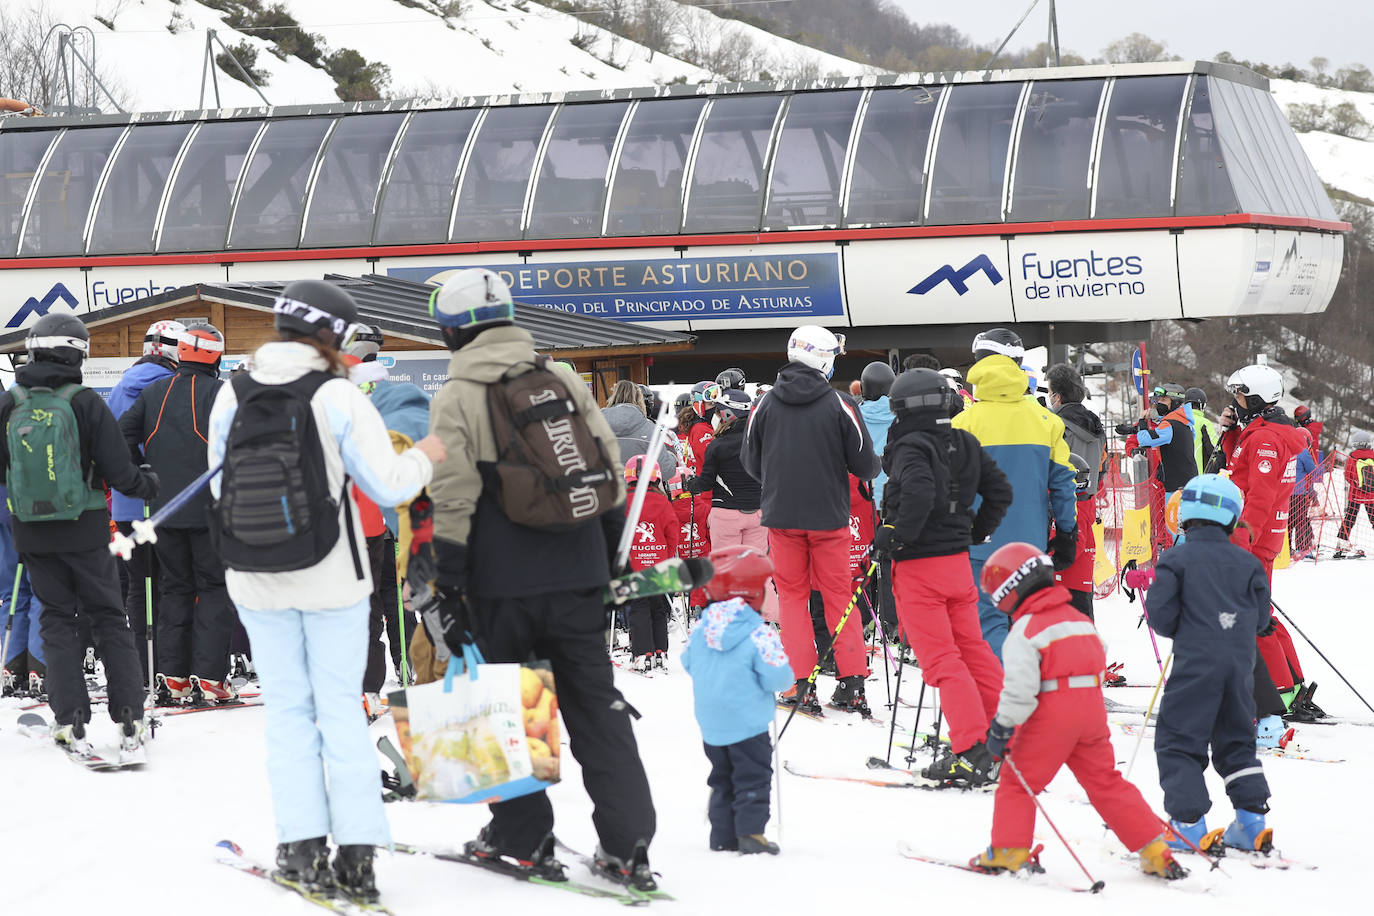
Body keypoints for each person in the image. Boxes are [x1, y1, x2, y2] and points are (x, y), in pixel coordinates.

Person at [423, 268, 659, 891]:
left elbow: (451, 493)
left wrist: (450, 580)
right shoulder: (557, 376)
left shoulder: (457, 394)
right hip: (579, 567)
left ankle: (521, 838)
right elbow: (607, 463)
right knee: (595, 704)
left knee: (505, 703)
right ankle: (629, 843)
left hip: (501, 578)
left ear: (451, 329)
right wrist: (607, 556)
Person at [208, 279, 442, 900]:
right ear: (334, 335)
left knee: (287, 713)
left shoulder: (232, 393)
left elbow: (217, 491)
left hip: (255, 578)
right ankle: (358, 858)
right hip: (333, 575)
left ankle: (300, 849)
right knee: (339, 710)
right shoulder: (337, 395)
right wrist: (429, 453)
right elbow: (390, 485)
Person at [971, 541, 1184, 879]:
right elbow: (1098, 657)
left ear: (1009, 592)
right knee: (1106, 782)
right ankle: (1155, 848)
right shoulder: (1080, 620)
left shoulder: (1025, 630)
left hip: (1052, 717)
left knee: (1017, 782)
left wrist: (1002, 727)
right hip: (1092, 713)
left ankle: (1010, 851)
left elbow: (1021, 690)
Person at [0, 313, 161, 755]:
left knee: (55, 618)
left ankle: (70, 719)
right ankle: (129, 716)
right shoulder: (85, 401)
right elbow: (120, 471)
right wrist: (146, 483)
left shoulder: (11, 401)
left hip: (31, 531)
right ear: (78, 353)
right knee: (107, 615)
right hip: (85, 526)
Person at [873, 368, 1012, 787]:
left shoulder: (910, 445)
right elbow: (1000, 490)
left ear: (901, 407)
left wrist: (896, 535)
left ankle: (971, 749)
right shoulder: (963, 441)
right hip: (956, 562)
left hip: (921, 567)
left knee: (942, 661)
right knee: (973, 649)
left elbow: (918, 492)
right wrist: (973, 529)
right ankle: (1004, 737)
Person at [743, 325, 880, 716]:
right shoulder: (839, 404)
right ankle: (852, 684)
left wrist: (779, 483)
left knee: (792, 598)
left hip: (782, 517)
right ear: (823, 358)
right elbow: (866, 465)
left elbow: (751, 462)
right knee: (839, 595)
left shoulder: (764, 404)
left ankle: (798, 685)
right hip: (829, 517)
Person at [1142, 475, 1275, 854]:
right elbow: (1262, 619)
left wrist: (1191, 620)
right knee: (1236, 742)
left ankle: (1186, 823)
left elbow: (1161, 616)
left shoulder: (1175, 559)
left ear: (1185, 515)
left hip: (1195, 667)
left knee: (1179, 741)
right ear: (1232, 518)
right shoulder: (1247, 563)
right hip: (1239, 668)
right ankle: (1251, 822)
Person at [120, 323, 234, 705]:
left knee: (175, 588)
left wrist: (143, 471)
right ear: (216, 356)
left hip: (165, 510)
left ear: (181, 352)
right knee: (215, 589)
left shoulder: (154, 392)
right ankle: (211, 676)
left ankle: (174, 676)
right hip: (212, 509)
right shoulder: (222, 392)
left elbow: (121, 436)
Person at [952, 328, 1077, 658]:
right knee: (1030, 622)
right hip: (1030, 544)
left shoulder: (963, 423)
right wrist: (1067, 532)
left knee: (988, 622)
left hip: (979, 543)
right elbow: (1063, 483)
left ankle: (1001, 700)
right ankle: (1036, 698)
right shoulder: (1045, 420)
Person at [1212, 364, 1315, 716]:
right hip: (1262, 536)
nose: (1235, 400)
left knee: (1253, 619)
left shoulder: (1266, 438)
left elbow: (1260, 496)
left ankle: (1280, 692)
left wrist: (1239, 542)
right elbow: (1241, 466)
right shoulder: (1262, 431)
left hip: (1254, 539)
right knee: (1260, 613)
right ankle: (1292, 685)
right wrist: (1229, 434)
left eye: (1239, 394)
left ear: (1255, 396)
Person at [681, 544, 793, 856]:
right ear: (750, 590)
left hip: (711, 722)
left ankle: (722, 835)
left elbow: (688, 662)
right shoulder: (758, 632)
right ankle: (750, 833)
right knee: (753, 776)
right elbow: (780, 678)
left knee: (721, 777)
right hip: (748, 722)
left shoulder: (702, 627)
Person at [106, 318, 186, 684]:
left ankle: (142, 665)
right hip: (163, 501)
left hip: (125, 505)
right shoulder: (170, 388)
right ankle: (169, 667)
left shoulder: (120, 388)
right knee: (172, 585)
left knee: (139, 587)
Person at [624, 455, 679, 672]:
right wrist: (666, 555)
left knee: (639, 607)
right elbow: (672, 532)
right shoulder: (662, 502)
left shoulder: (623, 502)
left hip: (633, 564)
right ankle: (660, 651)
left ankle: (641, 653)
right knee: (657, 607)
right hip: (658, 564)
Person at [0, 487, 44, 694]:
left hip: (4, 505)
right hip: (34, 503)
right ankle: (39, 664)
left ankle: (13, 663)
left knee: (13, 589)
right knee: (41, 587)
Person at [602, 379, 678, 480]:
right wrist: (672, 456)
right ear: (639, 400)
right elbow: (666, 471)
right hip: (637, 493)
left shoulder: (593, 425)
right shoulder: (649, 428)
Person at [1054, 454, 1099, 621]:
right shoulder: (1079, 505)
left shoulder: (1076, 511)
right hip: (1073, 581)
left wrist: (1052, 562)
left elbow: (1074, 547)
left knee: (1078, 626)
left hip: (1073, 583)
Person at [1288, 404, 1323, 559]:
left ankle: (1286, 547)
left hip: (1286, 492)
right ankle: (1303, 546)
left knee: (1288, 521)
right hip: (1300, 492)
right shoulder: (1303, 452)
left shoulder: (1287, 449)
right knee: (1301, 520)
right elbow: (1313, 470)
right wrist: (1321, 468)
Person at [858, 361, 895, 504]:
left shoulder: (852, 416)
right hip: (893, 496)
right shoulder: (903, 416)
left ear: (863, 387)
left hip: (862, 495)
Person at [1336, 430, 1374, 557]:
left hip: (1355, 495)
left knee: (1349, 520)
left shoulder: (1352, 457)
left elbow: (1348, 475)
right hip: (1372, 496)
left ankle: (1342, 545)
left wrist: (1356, 484)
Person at [1185, 387, 1217, 474]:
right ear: (1202, 405)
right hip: (1199, 475)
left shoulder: (1177, 421)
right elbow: (1214, 449)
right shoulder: (1204, 423)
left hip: (1178, 477)